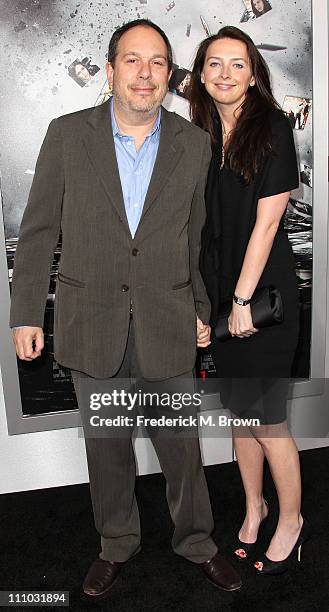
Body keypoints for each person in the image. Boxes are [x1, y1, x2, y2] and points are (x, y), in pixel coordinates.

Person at [10, 19, 241, 599]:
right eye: (132, 61)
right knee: (108, 449)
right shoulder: (66, 134)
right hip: (93, 321)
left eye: (158, 62)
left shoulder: (194, 145)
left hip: (167, 318)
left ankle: (196, 543)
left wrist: (199, 307)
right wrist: (25, 314)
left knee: (181, 451)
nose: (145, 73)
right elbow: (37, 232)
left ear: (170, 75)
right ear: (110, 69)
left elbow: (196, 240)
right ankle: (116, 543)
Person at [189, 25, 309, 575]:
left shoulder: (273, 129)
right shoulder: (205, 131)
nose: (225, 74)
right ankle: (254, 507)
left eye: (237, 64)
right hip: (222, 298)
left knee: (268, 420)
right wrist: (205, 305)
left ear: (254, 72)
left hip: (263, 297)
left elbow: (265, 226)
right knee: (241, 414)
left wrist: (239, 302)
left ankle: (292, 521)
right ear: (202, 73)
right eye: (214, 64)